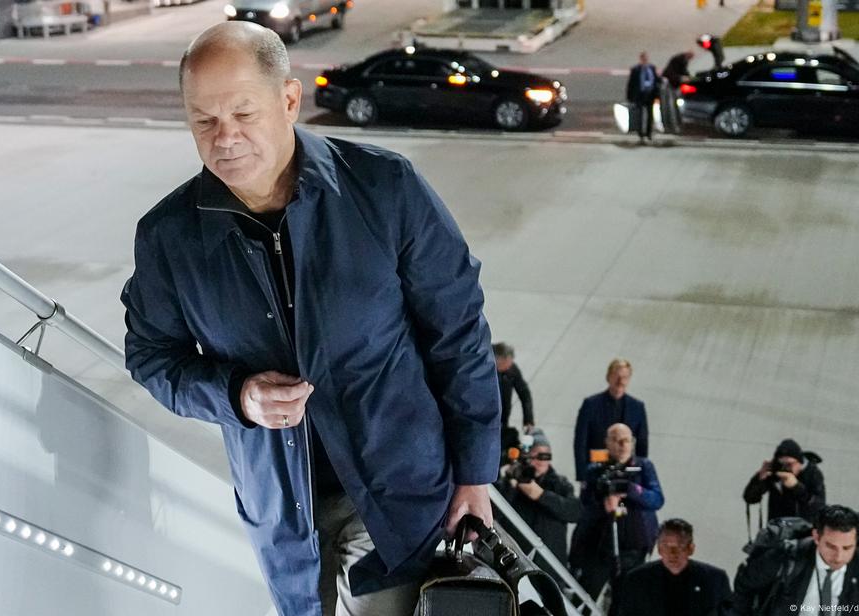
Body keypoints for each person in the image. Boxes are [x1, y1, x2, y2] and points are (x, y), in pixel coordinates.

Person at [121, 21, 502, 616]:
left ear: (289, 100)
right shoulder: (168, 237)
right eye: (205, 121)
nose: (226, 139)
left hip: (401, 501)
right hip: (284, 513)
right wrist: (236, 397)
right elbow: (151, 357)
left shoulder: (385, 188)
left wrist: (476, 473)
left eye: (244, 114)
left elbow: (458, 331)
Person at [732, 505, 859, 615]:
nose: (838, 557)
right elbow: (744, 586)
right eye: (831, 546)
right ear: (816, 537)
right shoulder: (786, 556)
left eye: (847, 548)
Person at [569, 423, 664, 600]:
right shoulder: (595, 470)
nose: (622, 445)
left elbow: (657, 499)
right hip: (599, 545)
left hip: (634, 545)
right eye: (616, 440)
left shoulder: (644, 467)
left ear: (633, 442)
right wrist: (603, 505)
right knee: (586, 595)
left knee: (626, 598)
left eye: (626, 440)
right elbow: (583, 505)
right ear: (607, 442)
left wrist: (631, 489)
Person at [612, 518, 730, 616]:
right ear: (659, 549)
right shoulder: (637, 580)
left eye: (680, 546)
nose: (672, 553)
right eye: (666, 546)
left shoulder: (715, 580)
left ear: (691, 548)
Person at [494, 438, 581, 564]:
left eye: (544, 457)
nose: (539, 462)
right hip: (515, 560)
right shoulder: (511, 482)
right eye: (533, 457)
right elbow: (493, 513)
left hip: (550, 564)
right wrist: (510, 485)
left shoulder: (560, 484)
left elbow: (575, 512)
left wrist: (541, 495)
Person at [573, 358, 648, 482]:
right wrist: (582, 476)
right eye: (616, 376)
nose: (621, 381)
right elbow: (580, 442)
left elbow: (642, 443)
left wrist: (640, 473)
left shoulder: (637, 407)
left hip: (627, 471)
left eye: (625, 377)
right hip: (596, 468)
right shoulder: (590, 404)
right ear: (608, 377)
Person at [743, 438, 826, 522]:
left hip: (803, 529)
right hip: (777, 528)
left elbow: (819, 507)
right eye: (781, 464)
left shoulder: (812, 473)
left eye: (789, 464)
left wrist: (796, 487)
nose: (785, 468)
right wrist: (759, 478)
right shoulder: (775, 472)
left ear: (799, 462)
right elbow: (750, 498)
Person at [494, 342, 534, 452]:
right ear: (498, 361)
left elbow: (524, 393)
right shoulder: (482, 369)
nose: (509, 367)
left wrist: (528, 420)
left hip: (502, 417)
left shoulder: (511, 369)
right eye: (506, 364)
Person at [625, 53, 659, 144]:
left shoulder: (651, 68)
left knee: (650, 115)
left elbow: (655, 81)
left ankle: (648, 133)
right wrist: (630, 97)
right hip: (640, 95)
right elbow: (631, 84)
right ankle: (640, 133)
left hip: (650, 94)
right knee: (639, 115)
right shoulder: (636, 69)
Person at [660, 51, 694, 133]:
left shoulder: (681, 60)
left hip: (672, 84)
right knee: (670, 107)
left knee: (672, 107)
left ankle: (672, 126)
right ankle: (671, 127)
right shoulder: (679, 60)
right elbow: (672, 74)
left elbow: (683, 71)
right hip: (669, 85)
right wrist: (681, 78)